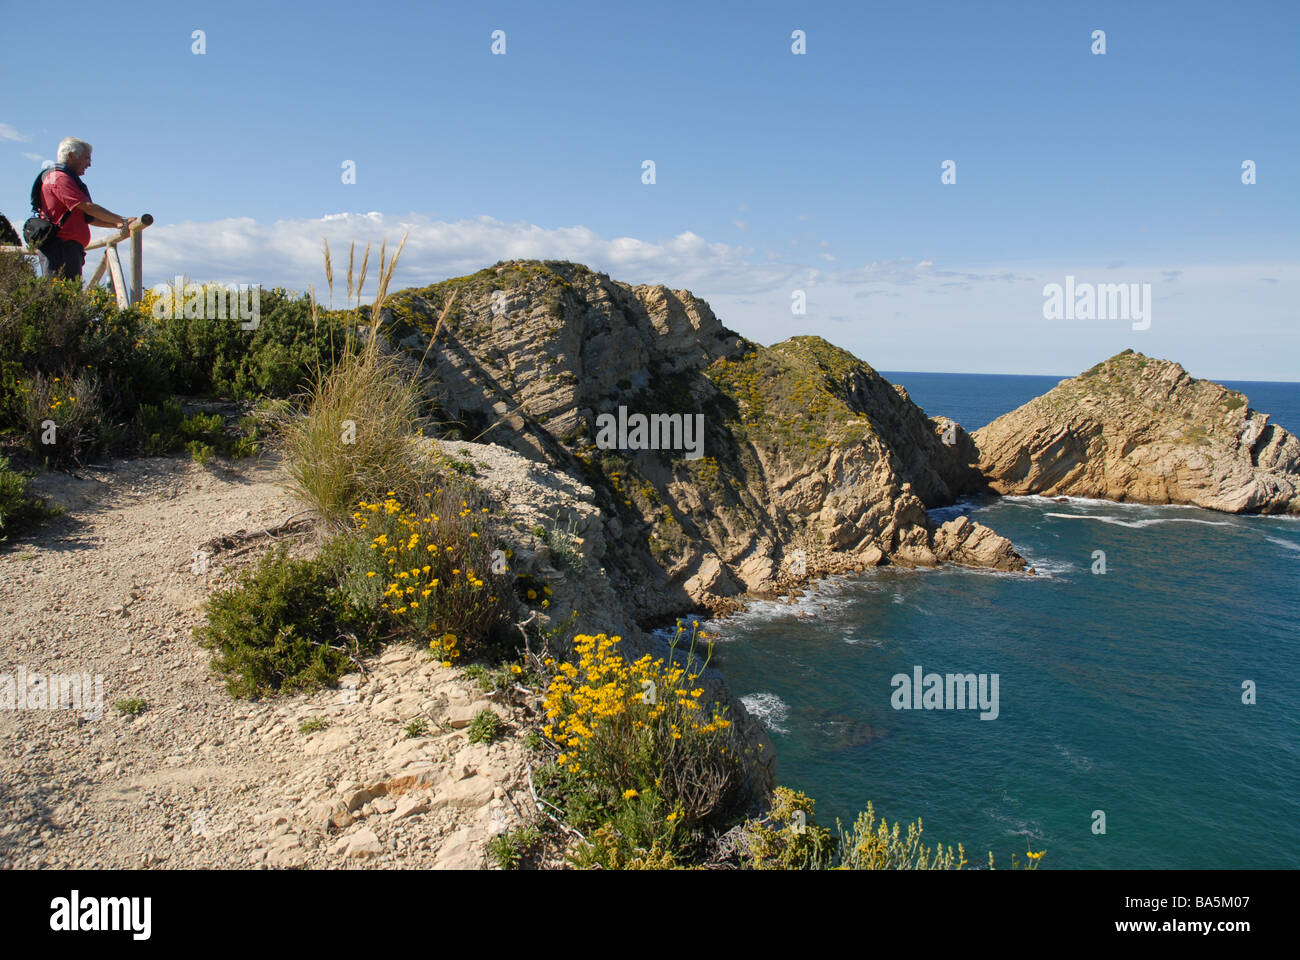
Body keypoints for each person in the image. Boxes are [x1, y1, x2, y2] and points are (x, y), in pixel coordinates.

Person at [34, 138, 134, 281]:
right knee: (63, 298)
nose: (89, 164)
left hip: (68, 249)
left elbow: (88, 217)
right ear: (71, 156)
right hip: (61, 249)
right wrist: (122, 220)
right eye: (86, 158)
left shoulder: (66, 178)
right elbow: (87, 207)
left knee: (69, 296)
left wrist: (116, 224)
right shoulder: (60, 178)